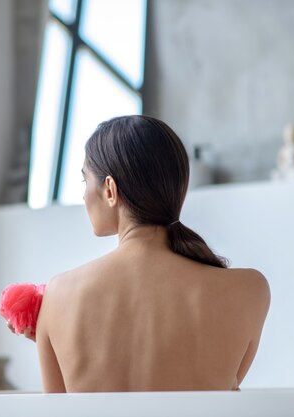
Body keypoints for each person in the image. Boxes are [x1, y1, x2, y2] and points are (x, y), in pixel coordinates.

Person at [14, 115, 270, 393]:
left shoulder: (59, 295)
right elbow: (225, 391)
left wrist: (52, 333)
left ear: (110, 190)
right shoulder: (249, 291)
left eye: (84, 180)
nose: (84, 196)